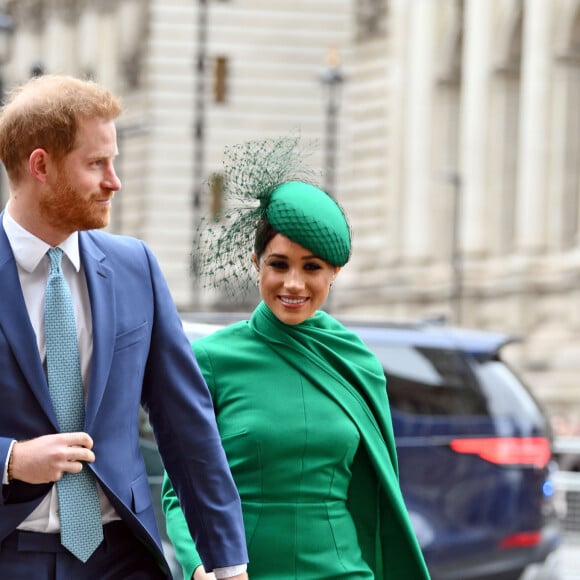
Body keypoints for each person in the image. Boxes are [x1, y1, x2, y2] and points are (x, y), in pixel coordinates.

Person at [0, 74, 248, 580]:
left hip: (124, 557)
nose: (114, 181)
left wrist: (228, 566)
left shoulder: (135, 266)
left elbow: (188, 427)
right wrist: (9, 459)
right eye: (96, 164)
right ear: (40, 165)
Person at [162, 136, 430, 579]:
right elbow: (179, 490)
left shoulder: (356, 360)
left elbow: (377, 494)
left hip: (343, 571)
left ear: (334, 273)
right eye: (279, 264)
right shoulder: (209, 359)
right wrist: (199, 568)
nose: (293, 284)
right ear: (256, 263)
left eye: (312, 268)